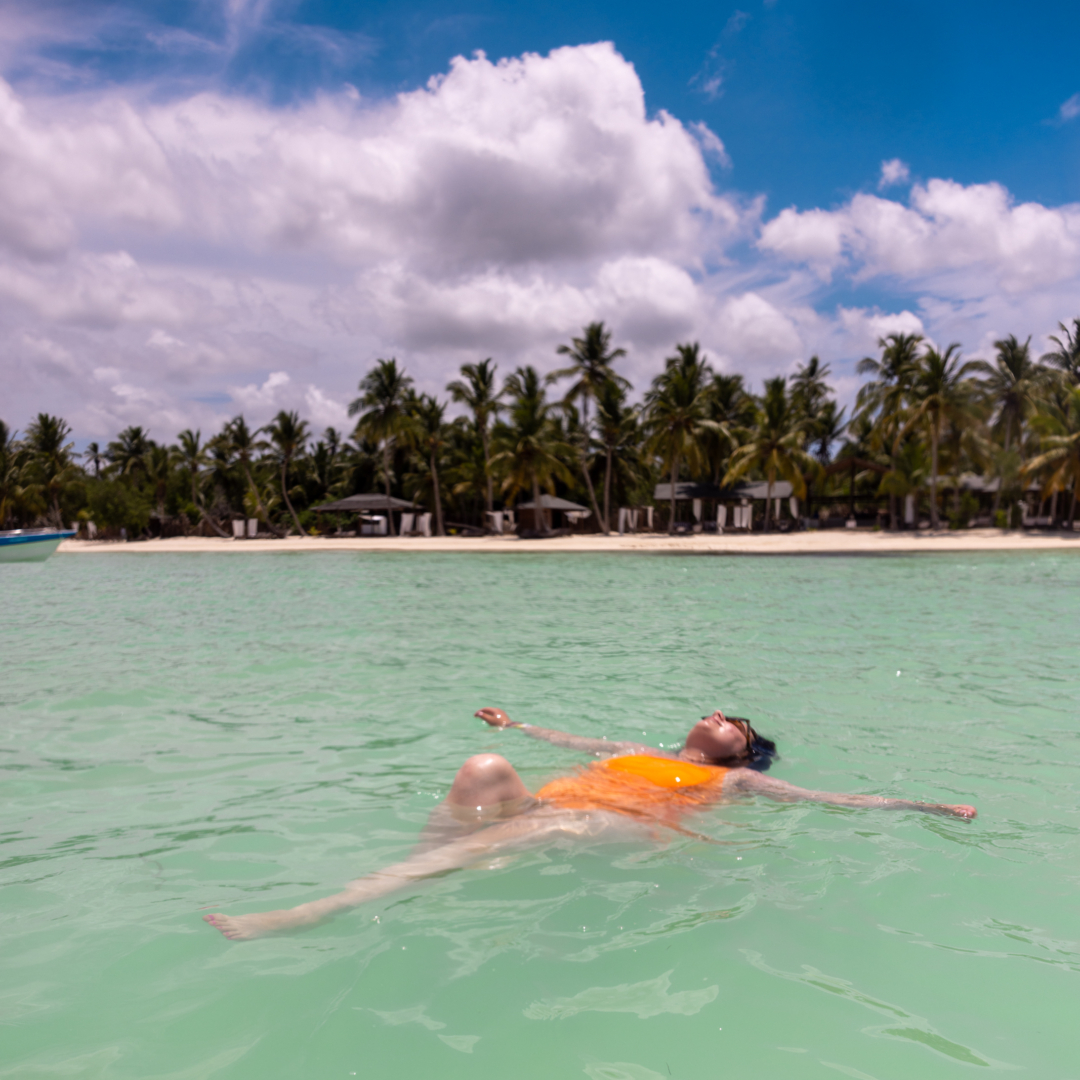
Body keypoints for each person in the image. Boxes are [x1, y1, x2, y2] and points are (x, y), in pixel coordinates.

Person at [204, 708, 976, 940]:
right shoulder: (635, 748)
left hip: (621, 829)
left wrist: (927, 806)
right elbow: (565, 744)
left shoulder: (732, 780)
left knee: (521, 834)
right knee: (480, 770)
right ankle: (419, 878)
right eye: (713, 711)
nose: (718, 718)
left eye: (734, 722)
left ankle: (320, 910)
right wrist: (515, 726)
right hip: (560, 804)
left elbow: (831, 804)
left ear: (745, 750)